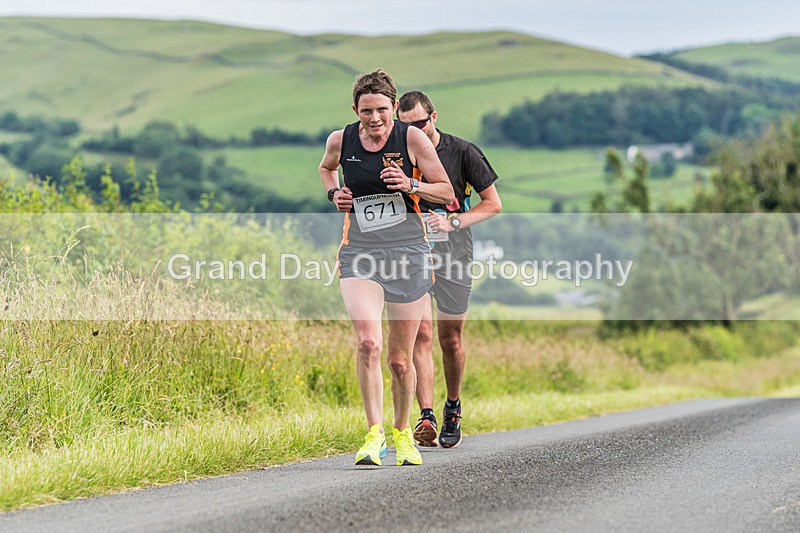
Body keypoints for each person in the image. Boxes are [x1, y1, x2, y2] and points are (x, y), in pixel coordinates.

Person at [319, 70, 455, 466]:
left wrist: (411, 186)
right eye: (366, 111)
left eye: (381, 109)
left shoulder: (411, 139)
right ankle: (374, 434)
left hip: (408, 253)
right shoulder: (340, 140)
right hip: (359, 252)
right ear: (355, 110)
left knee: (400, 359)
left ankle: (402, 432)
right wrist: (334, 193)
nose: (374, 118)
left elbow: (445, 191)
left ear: (394, 107)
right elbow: (326, 169)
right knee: (367, 342)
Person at [397, 91, 502, 448]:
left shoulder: (463, 152)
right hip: (412, 252)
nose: (415, 131)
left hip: (454, 251)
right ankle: (425, 416)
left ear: (434, 117)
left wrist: (453, 223)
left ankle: (452, 407)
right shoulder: (397, 155)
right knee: (421, 334)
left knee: (450, 338)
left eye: (420, 123)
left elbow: (493, 204)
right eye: (406, 125)